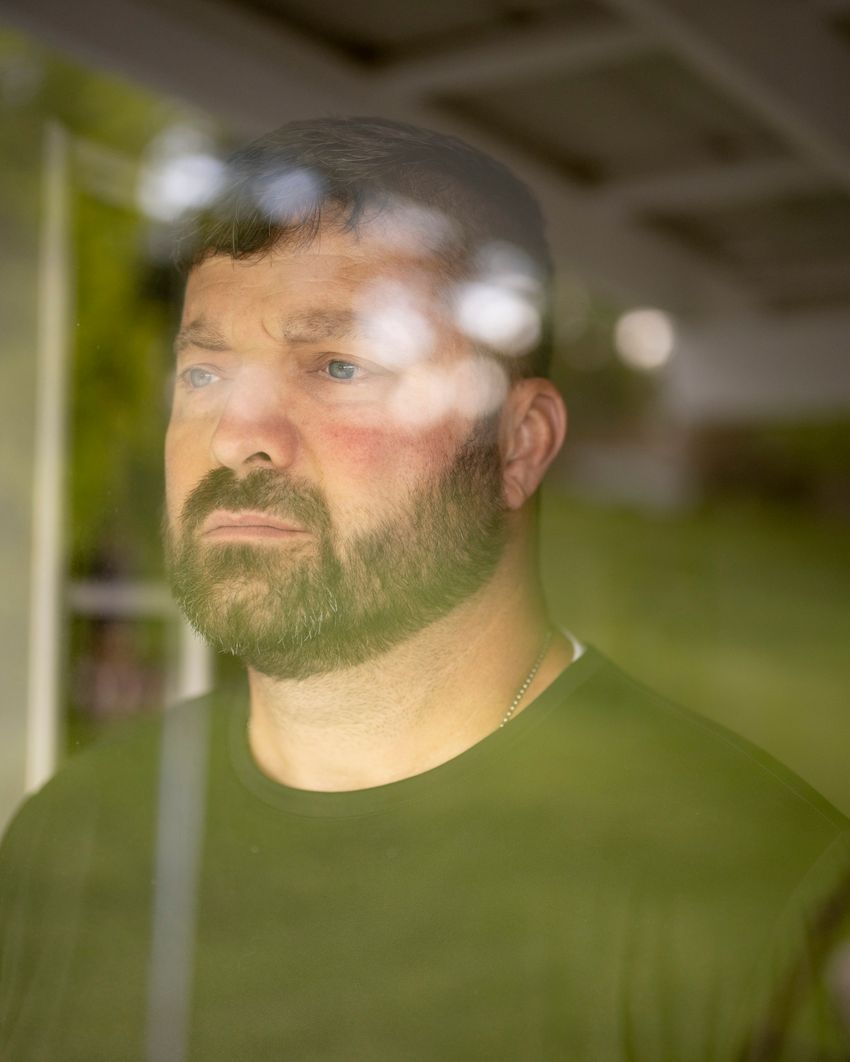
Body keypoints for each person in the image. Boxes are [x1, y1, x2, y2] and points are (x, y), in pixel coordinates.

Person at [1, 116, 849, 1062]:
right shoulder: (66, 843)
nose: (239, 433)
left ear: (517, 446)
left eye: (340, 366)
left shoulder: (755, 893)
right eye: (204, 370)